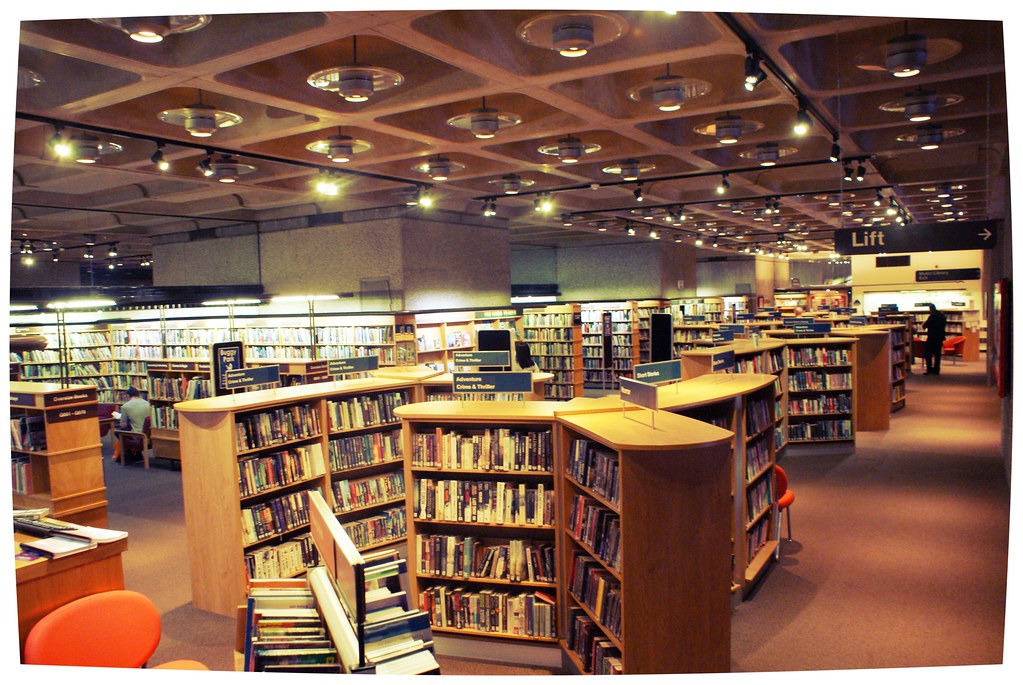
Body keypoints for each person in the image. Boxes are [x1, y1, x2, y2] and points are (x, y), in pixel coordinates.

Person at [112, 386, 150, 462]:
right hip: (149, 435)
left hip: (138, 436)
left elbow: (123, 425)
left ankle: (131, 454)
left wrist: (120, 418)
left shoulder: (125, 407)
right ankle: (136, 453)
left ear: (128, 396)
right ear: (139, 395)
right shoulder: (148, 403)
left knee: (118, 432)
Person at [922, 303, 947, 375]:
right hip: (940, 337)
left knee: (928, 354)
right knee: (937, 354)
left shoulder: (932, 316)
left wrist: (924, 324)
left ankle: (929, 369)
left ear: (931, 309)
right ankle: (936, 370)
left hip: (932, 338)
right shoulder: (942, 316)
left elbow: (925, 325)